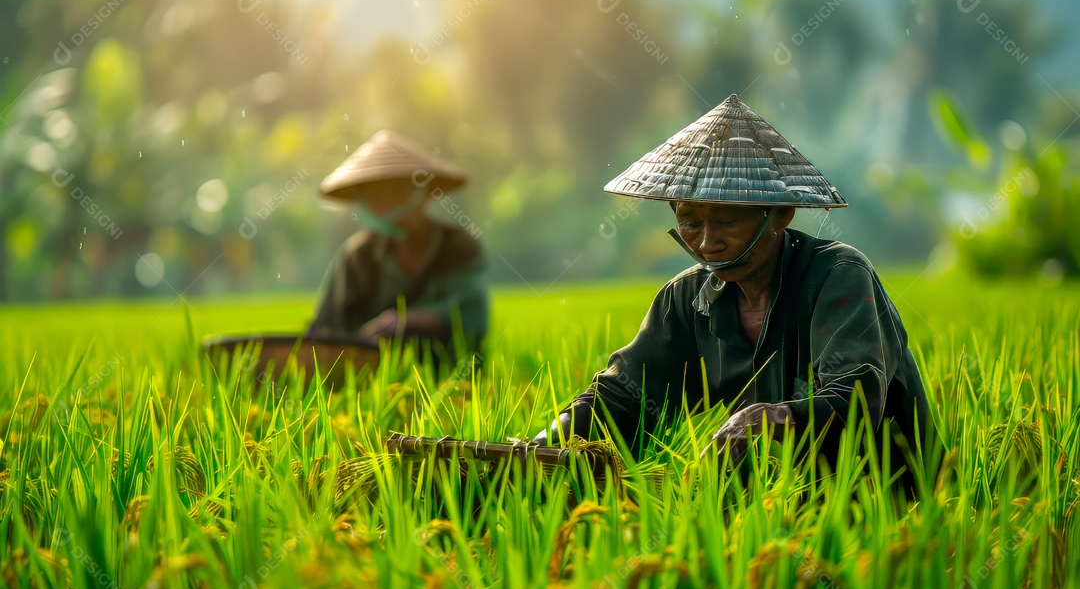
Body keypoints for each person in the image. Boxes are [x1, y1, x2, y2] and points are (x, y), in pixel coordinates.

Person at [532, 94, 931, 483]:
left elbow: (856, 400)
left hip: (884, 501)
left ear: (780, 213)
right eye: (690, 222)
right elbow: (623, 396)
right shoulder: (686, 301)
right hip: (770, 507)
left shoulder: (837, 276)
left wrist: (766, 419)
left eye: (726, 221)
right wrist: (542, 445)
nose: (707, 243)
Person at [306, 129, 489, 363]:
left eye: (397, 192)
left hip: (450, 376)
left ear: (423, 192)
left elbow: (472, 314)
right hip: (371, 378)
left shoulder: (458, 246)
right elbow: (326, 327)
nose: (385, 202)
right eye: (375, 194)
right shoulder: (358, 254)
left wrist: (406, 321)